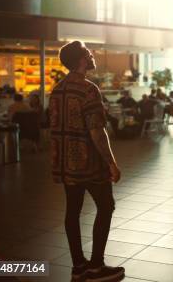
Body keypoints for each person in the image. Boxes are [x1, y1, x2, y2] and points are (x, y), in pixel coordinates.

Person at [49, 41, 125, 282]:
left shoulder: (58, 89)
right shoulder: (88, 89)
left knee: (73, 211)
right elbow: (96, 131)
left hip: (65, 164)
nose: (91, 56)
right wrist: (111, 162)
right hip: (88, 163)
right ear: (81, 59)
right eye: (87, 53)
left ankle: (78, 267)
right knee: (106, 206)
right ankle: (96, 267)